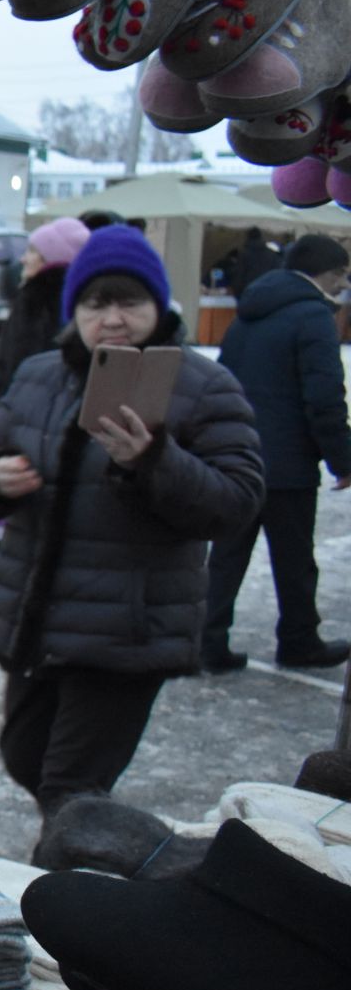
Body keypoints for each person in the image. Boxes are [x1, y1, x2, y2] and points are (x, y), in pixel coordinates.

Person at [0, 226, 263, 837]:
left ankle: (60, 909)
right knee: (24, 758)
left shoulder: (203, 385)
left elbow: (236, 500)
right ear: (76, 309)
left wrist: (154, 461)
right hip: (39, 619)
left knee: (70, 788)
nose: (114, 319)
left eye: (130, 302)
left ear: (158, 305)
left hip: (127, 627)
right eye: (97, 304)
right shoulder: (43, 373)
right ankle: (116, 858)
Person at [201, 234, 351, 672]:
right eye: (342, 274)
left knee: (226, 557)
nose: (344, 284)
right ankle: (299, 640)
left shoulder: (248, 312)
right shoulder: (313, 317)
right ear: (325, 272)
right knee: (294, 561)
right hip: (287, 466)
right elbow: (325, 398)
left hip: (238, 456)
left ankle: (206, 643)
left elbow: (222, 383)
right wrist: (343, 460)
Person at [0, 216, 93, 639]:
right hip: (31, 425)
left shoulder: (40, 299)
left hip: (14, 426)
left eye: (34, 252)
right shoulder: (68, 298)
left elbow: (19, 370)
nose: (25, 258)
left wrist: (2, 423)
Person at [212, 227, 280, 297]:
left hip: (249, 292)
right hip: (268, 292)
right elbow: (277, 274)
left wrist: (234, 289)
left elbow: (239, 274)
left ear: (248, 237)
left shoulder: (245, 254)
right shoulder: (271, 254)